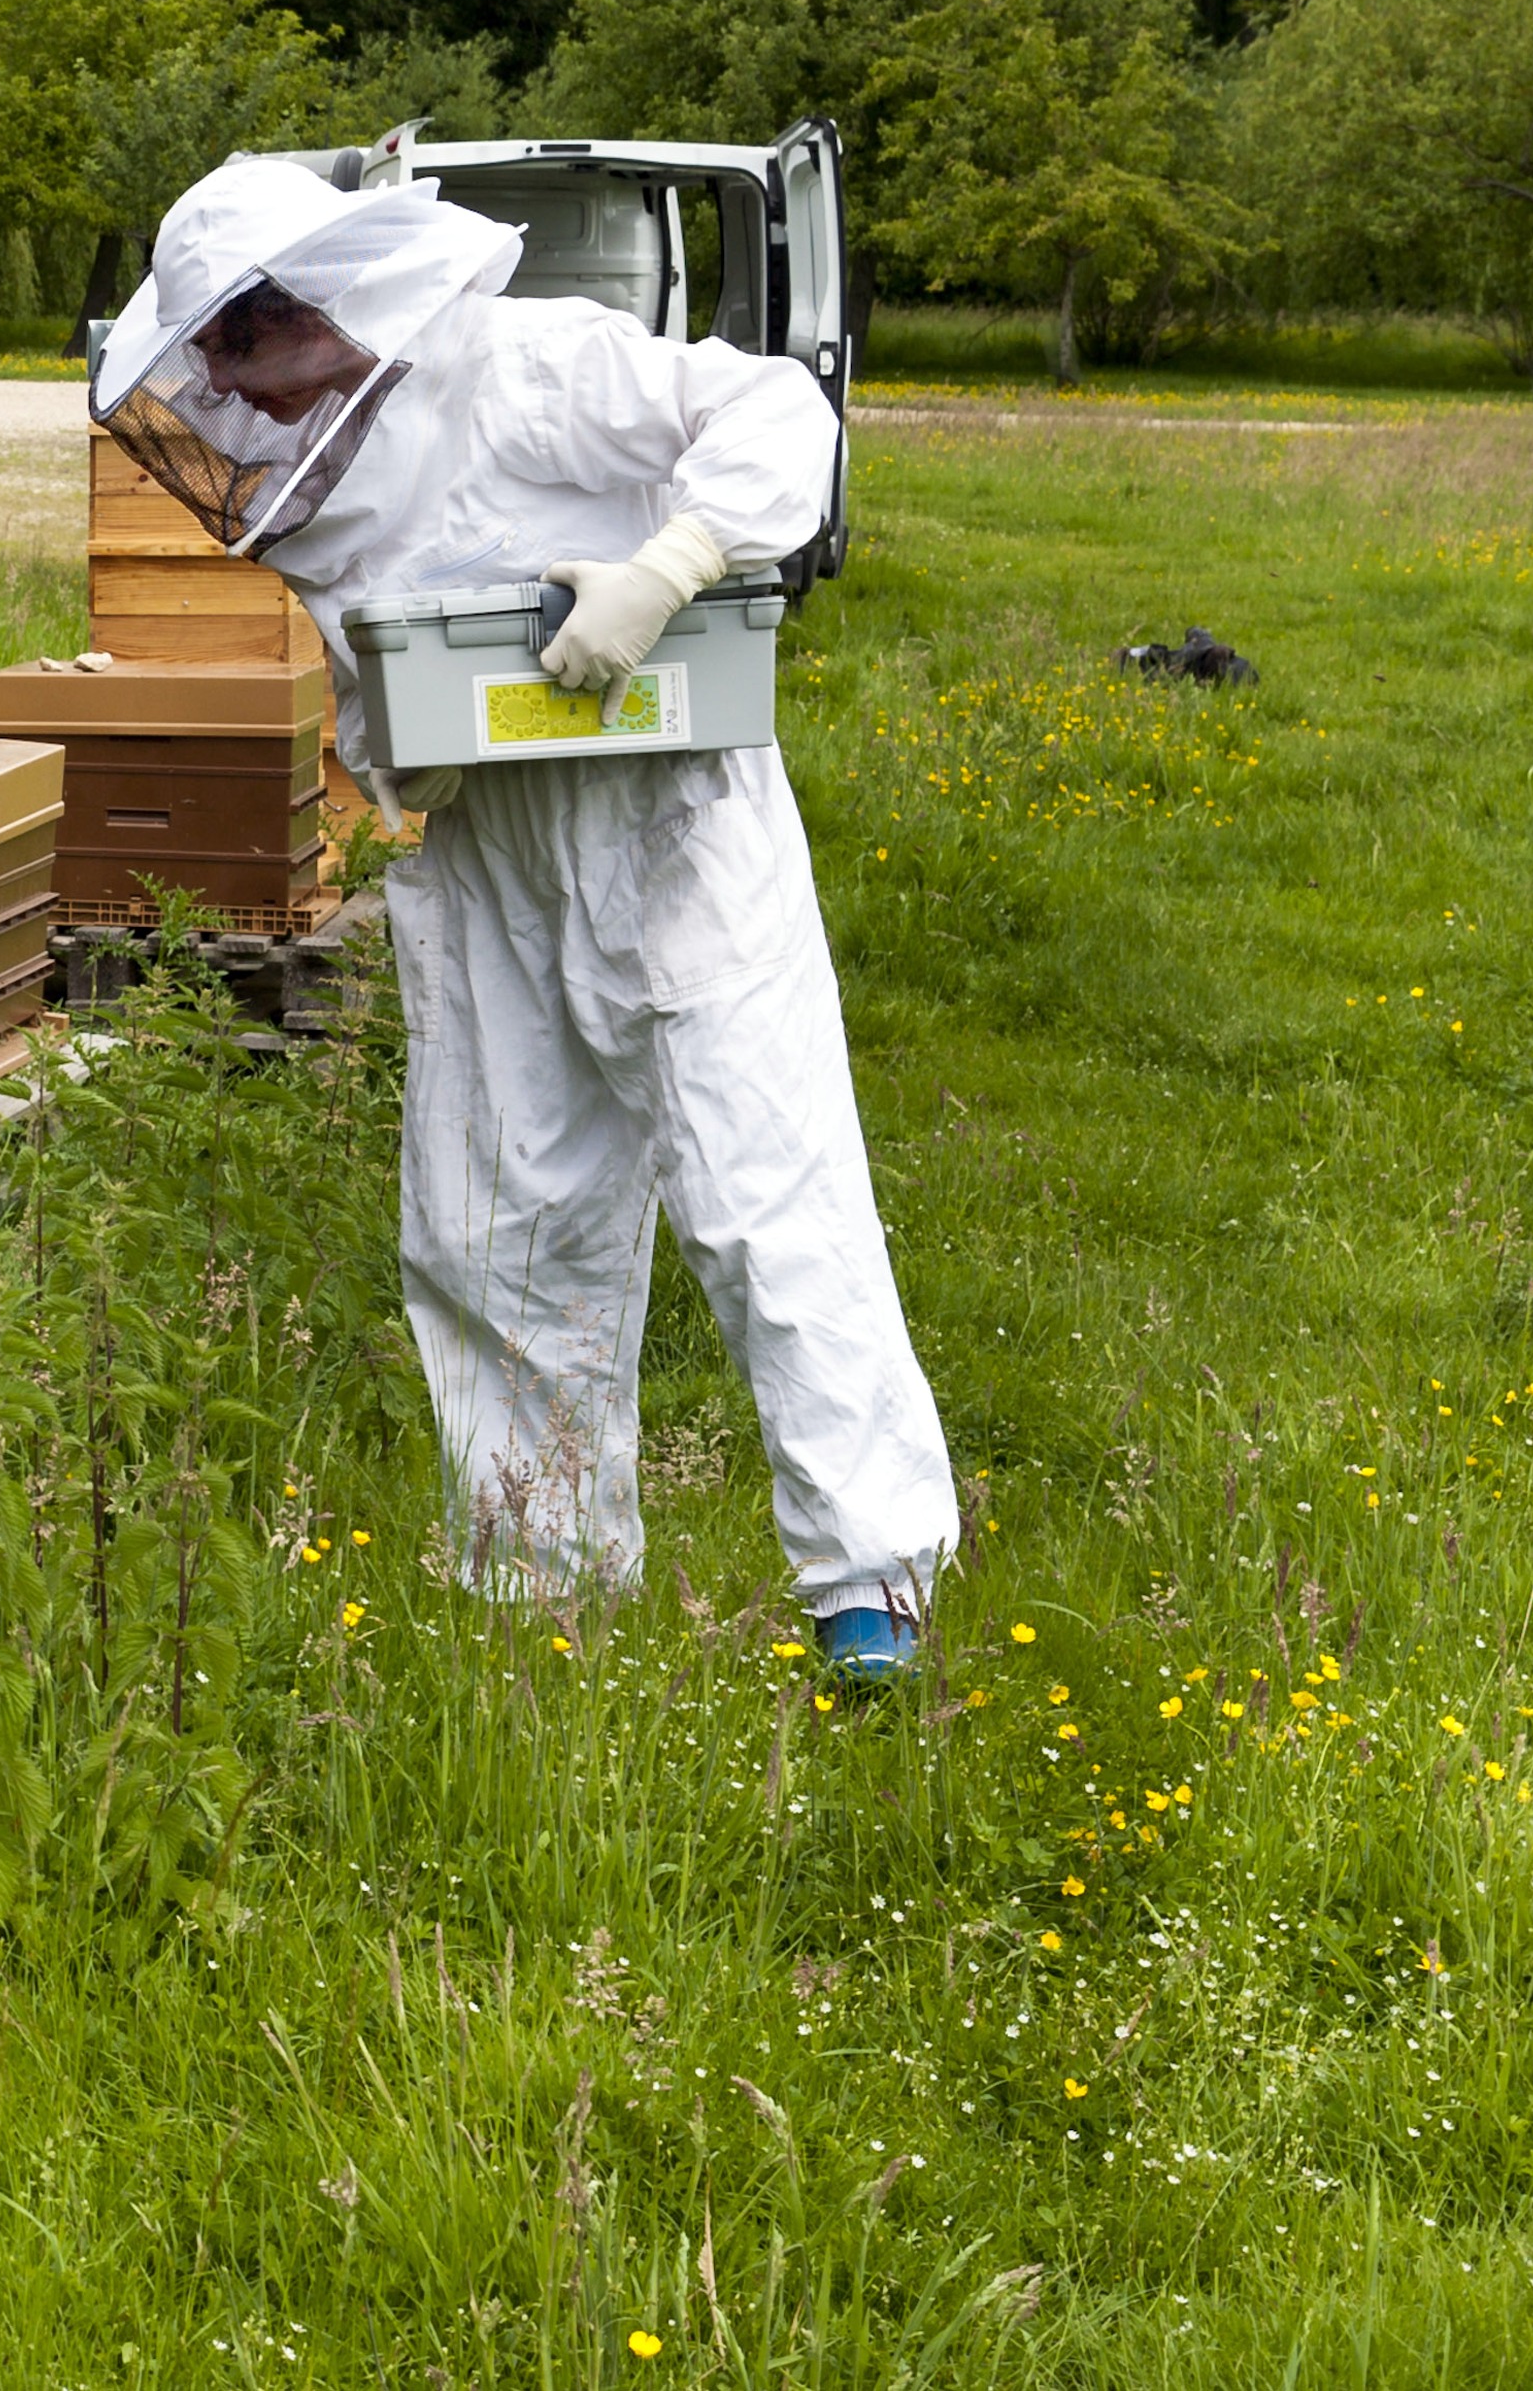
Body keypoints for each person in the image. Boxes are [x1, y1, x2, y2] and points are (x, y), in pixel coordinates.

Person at [89, 158, 955, 1678]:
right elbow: (377, 710)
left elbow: (776, 416)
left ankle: (870, 1590)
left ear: (315, 304)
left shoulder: (524, 365)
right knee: (494, 1216)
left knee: (763, 1183)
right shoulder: (312, 492)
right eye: (209, 359)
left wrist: (668, 566)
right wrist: (404, 740)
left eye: (235, 346)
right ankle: (539, 1584)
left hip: (671, 821)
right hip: (488, 850)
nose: (225, 393)